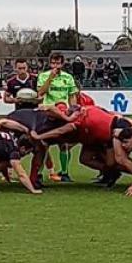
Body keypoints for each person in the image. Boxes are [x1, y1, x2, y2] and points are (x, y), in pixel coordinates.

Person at [37, 53, 78, 183]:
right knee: (43, 144)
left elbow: (72, 95)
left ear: (62, 63)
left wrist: (73, 109)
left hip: (64, 114)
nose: (56, 66)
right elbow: (40, 93)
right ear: (50, 64)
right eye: (53, 63)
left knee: (64, 144)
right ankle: (38, 173)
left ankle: (65, 173)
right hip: (48, 114)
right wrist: (50, 78)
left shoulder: (68, 77)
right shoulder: (43, 76)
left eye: (58, 63)